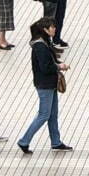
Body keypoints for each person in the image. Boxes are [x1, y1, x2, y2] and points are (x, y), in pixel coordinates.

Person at [17, 18, 71, 153]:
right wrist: (59, 66)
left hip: (49, 83)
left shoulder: (45, 41)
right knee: (44, 114)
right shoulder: (40, 45)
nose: (54, 29)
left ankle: (56, 142)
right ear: (45, 29)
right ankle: (24, 141)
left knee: (52, 114)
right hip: (45, 84)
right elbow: (45, 67)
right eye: (52, 27)